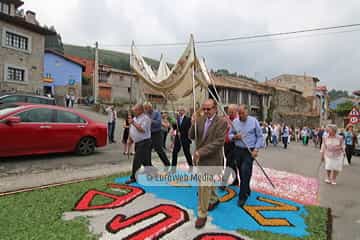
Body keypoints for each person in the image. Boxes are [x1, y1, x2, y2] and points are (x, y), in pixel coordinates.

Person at [190, 99, 227, 229]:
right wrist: (193, 123)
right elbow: (191, 136)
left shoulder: (221, 122)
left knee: (203, 187)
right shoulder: (200, 120)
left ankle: (202, 214)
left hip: (212, 159)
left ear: (215, 108)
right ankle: (214, 199)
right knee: (208, 185)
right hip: (200, 160)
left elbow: (219, 142)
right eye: (204, 109)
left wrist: (201, 151)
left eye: (208, 109)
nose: (206, 111)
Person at [229, 104, 264, 207]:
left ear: (247, 112)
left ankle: (242, 196)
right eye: (239, 113)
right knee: (241, 171)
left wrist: (256, 149)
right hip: (238, 150)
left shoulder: (254, 121)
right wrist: (235, 137)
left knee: (245, 170)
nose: (240, 115)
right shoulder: (235, 122)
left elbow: (260, 136)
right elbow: (229, 135)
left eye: (242, 113)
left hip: (249, 151)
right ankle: (247, 188)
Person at [125, 104, 152, 184]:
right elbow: (132, 129)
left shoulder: (146, 119)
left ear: (140, 110)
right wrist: (129, 138)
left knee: (137, 160)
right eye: (133, 110)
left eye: (135, 110)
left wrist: (133, 122)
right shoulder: (135, 118)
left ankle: (134, 177)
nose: (134, 111)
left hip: (144, 142)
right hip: (138, 142)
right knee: (145, 161)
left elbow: (142, 130)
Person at [144, 102, 170, 167]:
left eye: (146, 108)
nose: (145, 110)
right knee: (147, 150)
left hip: (157, 133)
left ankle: (167, 164)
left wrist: (150, 121)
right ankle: (149, 166)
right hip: (148, 134)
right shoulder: (145, 114)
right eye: (145, 108)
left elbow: (158, 122)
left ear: (150, 107)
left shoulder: (156, 113)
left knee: (159, 150)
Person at [222, 104, 239, 188]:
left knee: (228, 163)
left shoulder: (238, 120)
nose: (230, 113)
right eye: (229, 112)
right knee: (232, 164)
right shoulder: (226, 119)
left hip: (234, 144)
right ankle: (236, 181)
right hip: (226, 143)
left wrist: (231, 127)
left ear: (236, 111)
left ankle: (223, 183)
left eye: (232, 112)